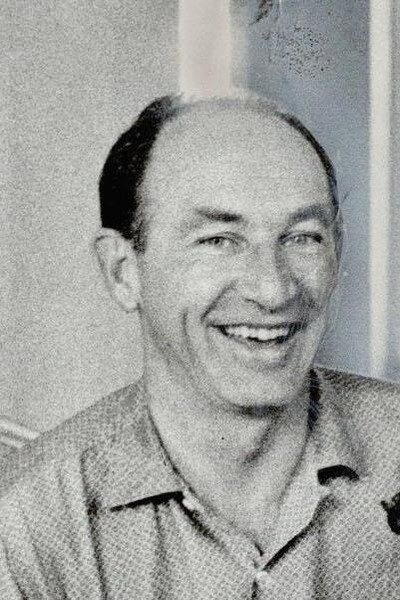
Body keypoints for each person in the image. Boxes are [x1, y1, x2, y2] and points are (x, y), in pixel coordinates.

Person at [1, 93, 400, 599]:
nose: (273, 290)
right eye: (218, 240)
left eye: (303, 237)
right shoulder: (27, 525)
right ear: (123, 271)